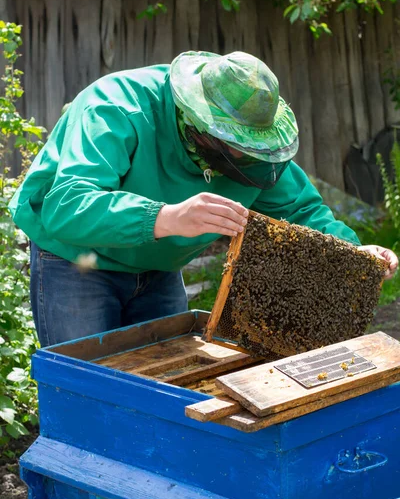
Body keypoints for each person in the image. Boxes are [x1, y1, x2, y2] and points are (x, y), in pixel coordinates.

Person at [9, 51, 398, 347]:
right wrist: (167, 217)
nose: (248, 158)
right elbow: (67, 203)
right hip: (78, 261)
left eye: (255, 148)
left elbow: (302, 209)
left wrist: (356, 254)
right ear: (198, 126)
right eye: (238, 146)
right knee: (85, 391)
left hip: (158, 266)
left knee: (164, 387)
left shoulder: (257, 155)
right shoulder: (117, 106)